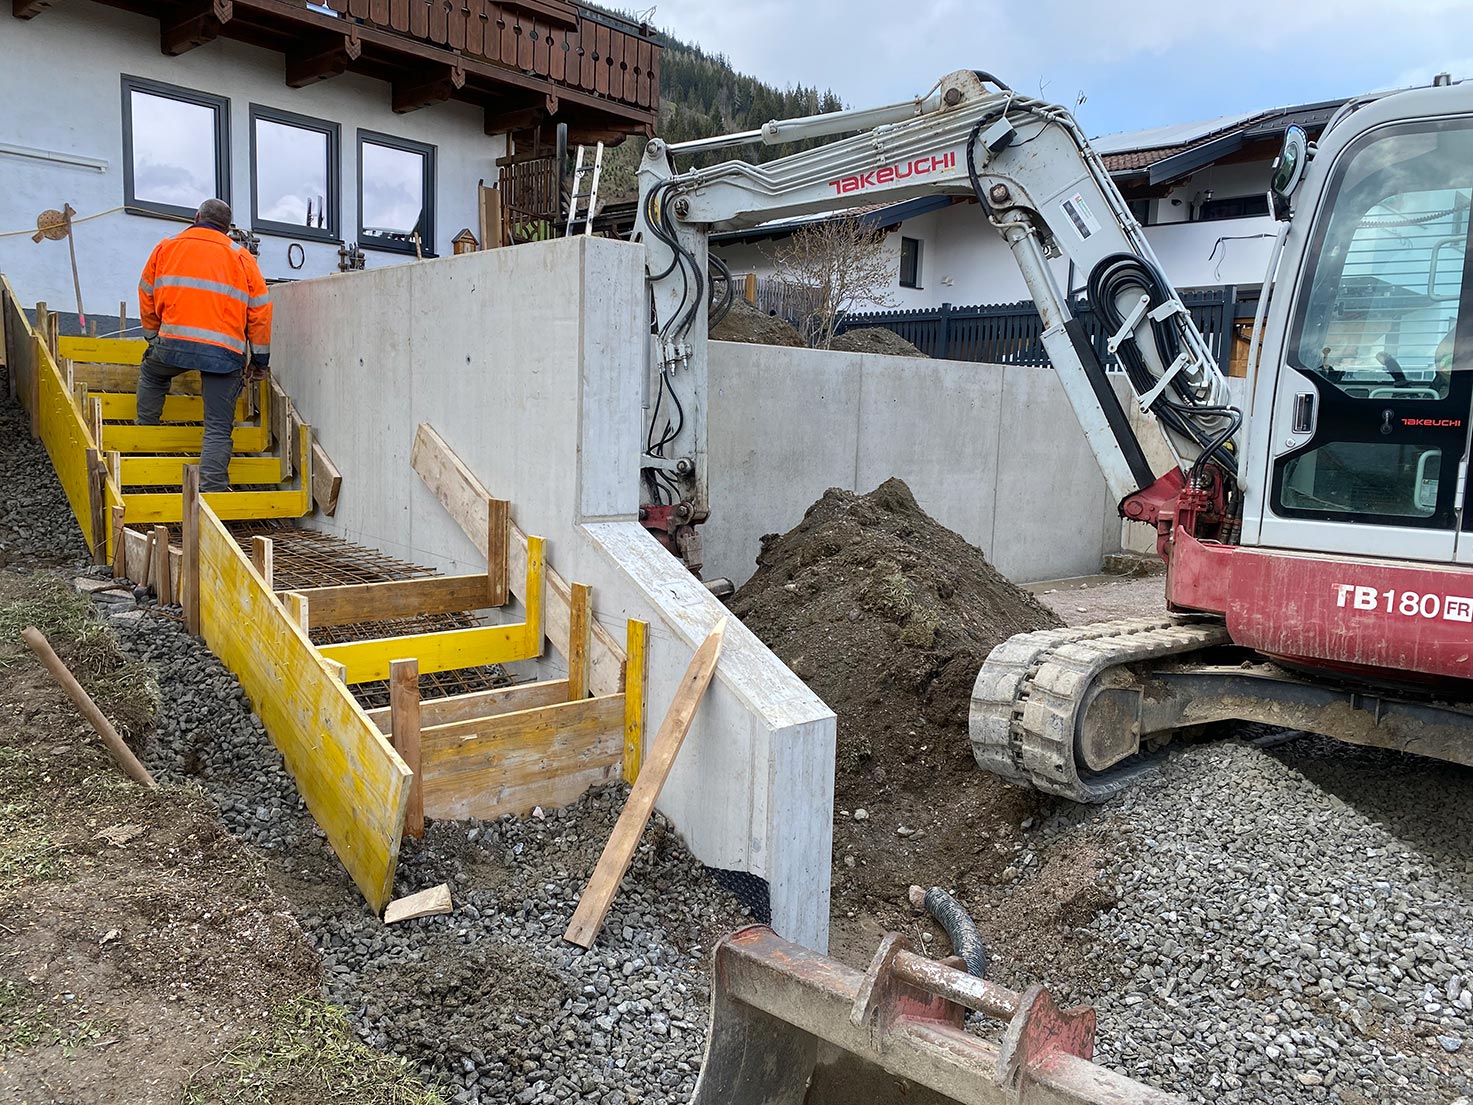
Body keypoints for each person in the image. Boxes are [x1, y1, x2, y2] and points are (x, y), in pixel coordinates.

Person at [136, 198, 272, 493]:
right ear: (227, 228)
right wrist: (260, 362)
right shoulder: (242, 257)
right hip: (224, 355)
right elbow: (260, 310)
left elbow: (146, 292)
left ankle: (142, 445)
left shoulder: (166, 247)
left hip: (172, 345)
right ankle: (213, 490)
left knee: (152, 373)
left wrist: (151, 337)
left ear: (196, 217)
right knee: (218, 427)